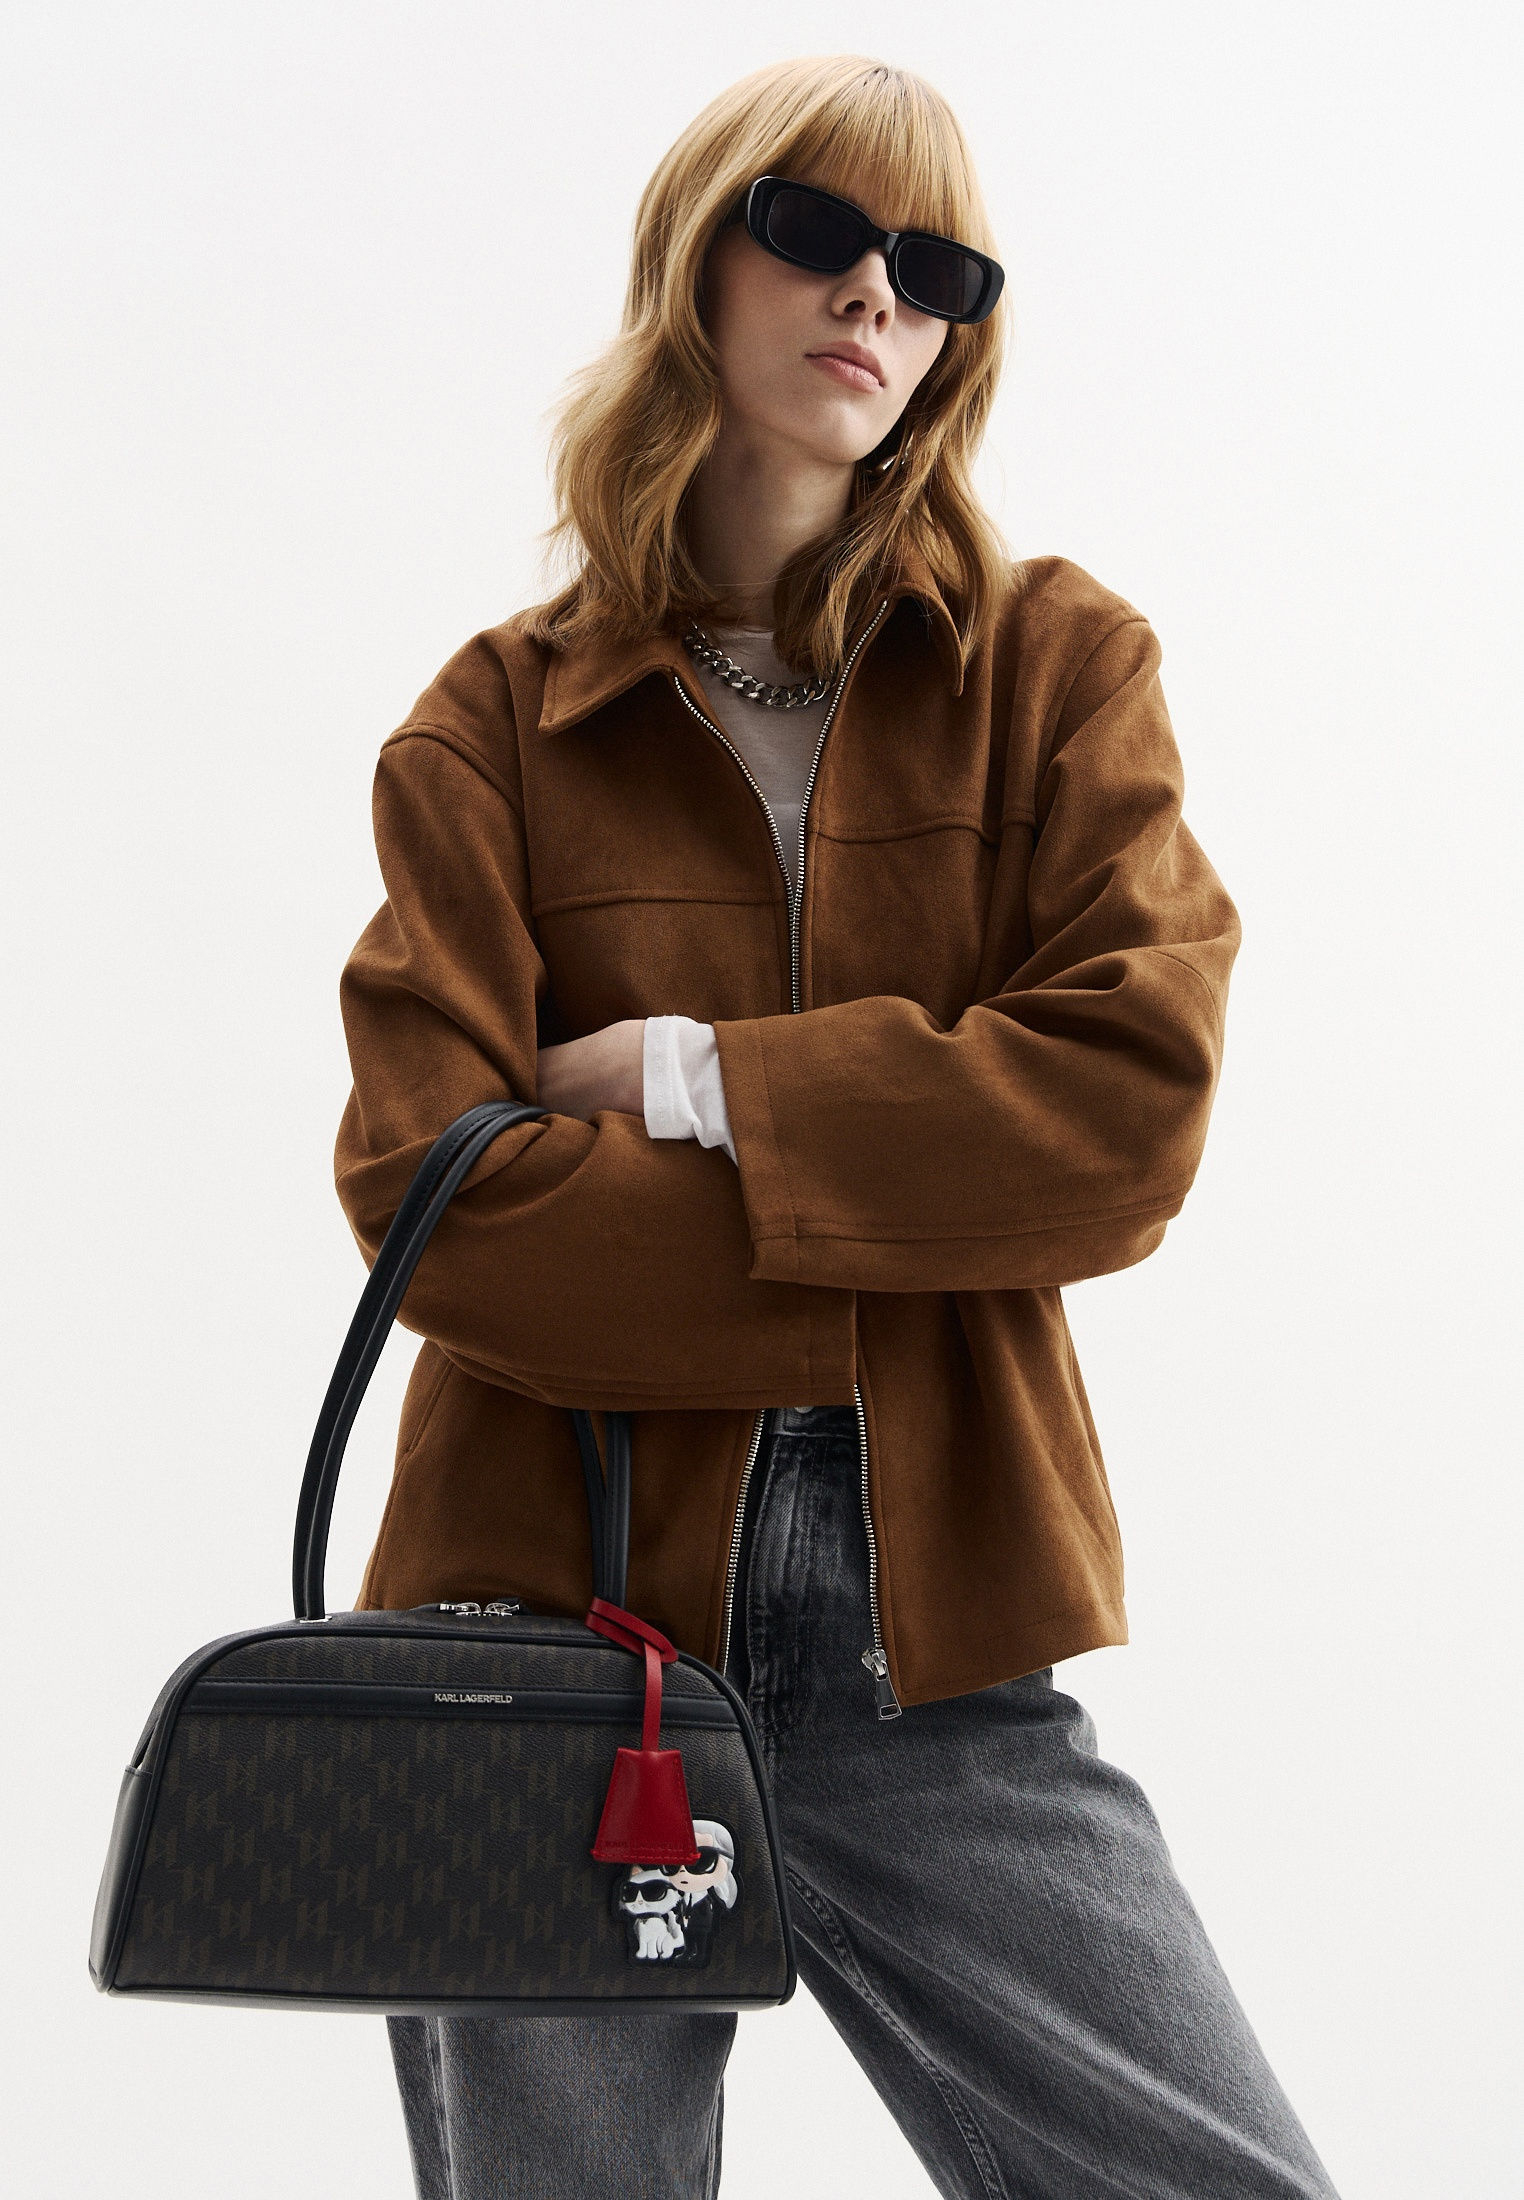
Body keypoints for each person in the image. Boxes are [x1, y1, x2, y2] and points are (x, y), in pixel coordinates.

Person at [333, 52, 1342, 2200]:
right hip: (550, 1635)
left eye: (939, 266)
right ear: (697, 263)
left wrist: (693, 1081)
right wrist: (898, 1220)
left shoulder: (1058, 672)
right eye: (817, 231)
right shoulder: (493, 727)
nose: (878, 291)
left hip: (930, 1622)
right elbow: (434, 1199)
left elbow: (1130, 1106)